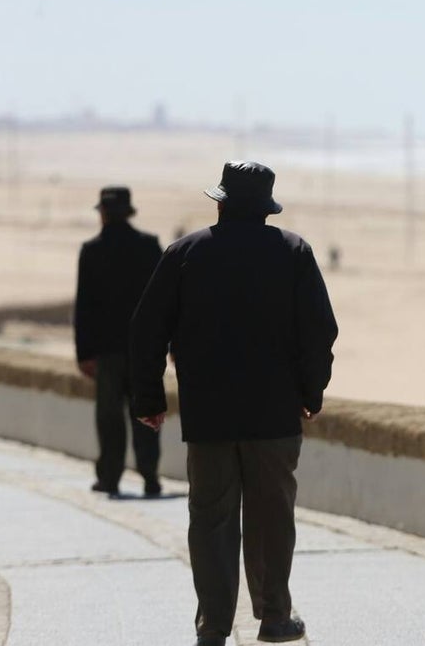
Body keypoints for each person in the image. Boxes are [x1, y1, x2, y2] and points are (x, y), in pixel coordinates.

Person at [130, 161, 338, 646]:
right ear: (265, 207)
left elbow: (146, 329)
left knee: (211, 520)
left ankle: (214, 625)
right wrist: (312, 393)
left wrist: (149, 397)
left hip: (210, 417)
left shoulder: (185, 253)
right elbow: (319, 331)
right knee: (271, 516)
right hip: (275, 413)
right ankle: (274, 618)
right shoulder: (293, 251)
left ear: (220, 203)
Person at [74, 185, 163, 496]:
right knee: (147, 412)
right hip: (144, 350)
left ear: (103, 214)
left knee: (110, 418)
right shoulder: (149, 246)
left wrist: (83, 353)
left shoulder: (92, 250)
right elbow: (163, 301)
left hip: (107, 352)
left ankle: (110, 478)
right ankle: (150, 476)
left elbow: (83, 307)